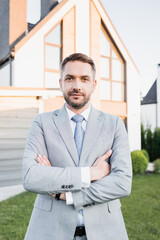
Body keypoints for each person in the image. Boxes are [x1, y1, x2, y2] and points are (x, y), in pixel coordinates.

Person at [23, 53, 132, 240]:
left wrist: (64, 194)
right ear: (61, 83)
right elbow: (30, 177)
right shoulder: (42, 122)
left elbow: (122, 183)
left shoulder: (114, 124)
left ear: (94, 85)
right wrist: (90, 174)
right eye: (70, 78)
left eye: (84, 79)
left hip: (106, 231)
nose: (77, 86)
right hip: (50, 230)